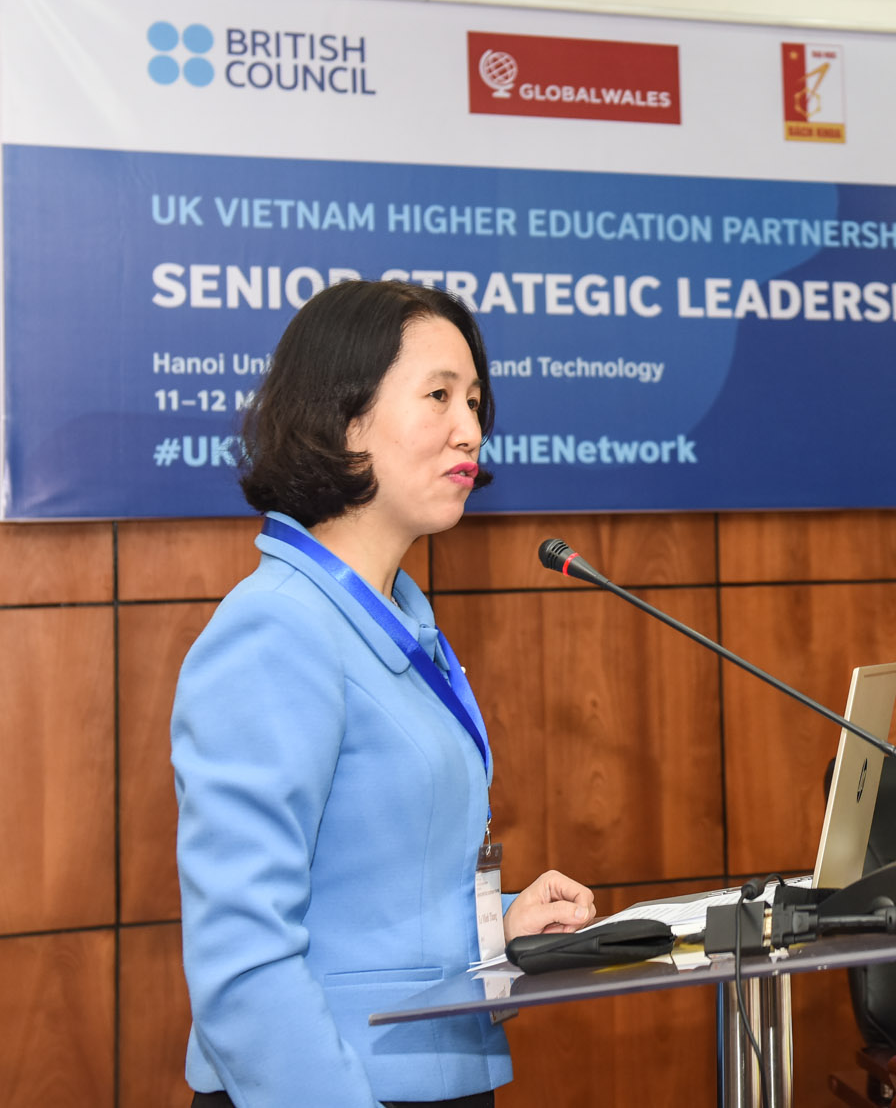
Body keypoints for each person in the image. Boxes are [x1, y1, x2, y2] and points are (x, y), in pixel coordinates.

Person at [172, 280, 596, 1108]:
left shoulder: (397, 619)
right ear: (345, 418)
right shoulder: (275, 628)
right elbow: (242, 959)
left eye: (474, 400)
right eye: (438, 395)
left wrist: (497, 927)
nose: (470, 428)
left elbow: (373, 897)